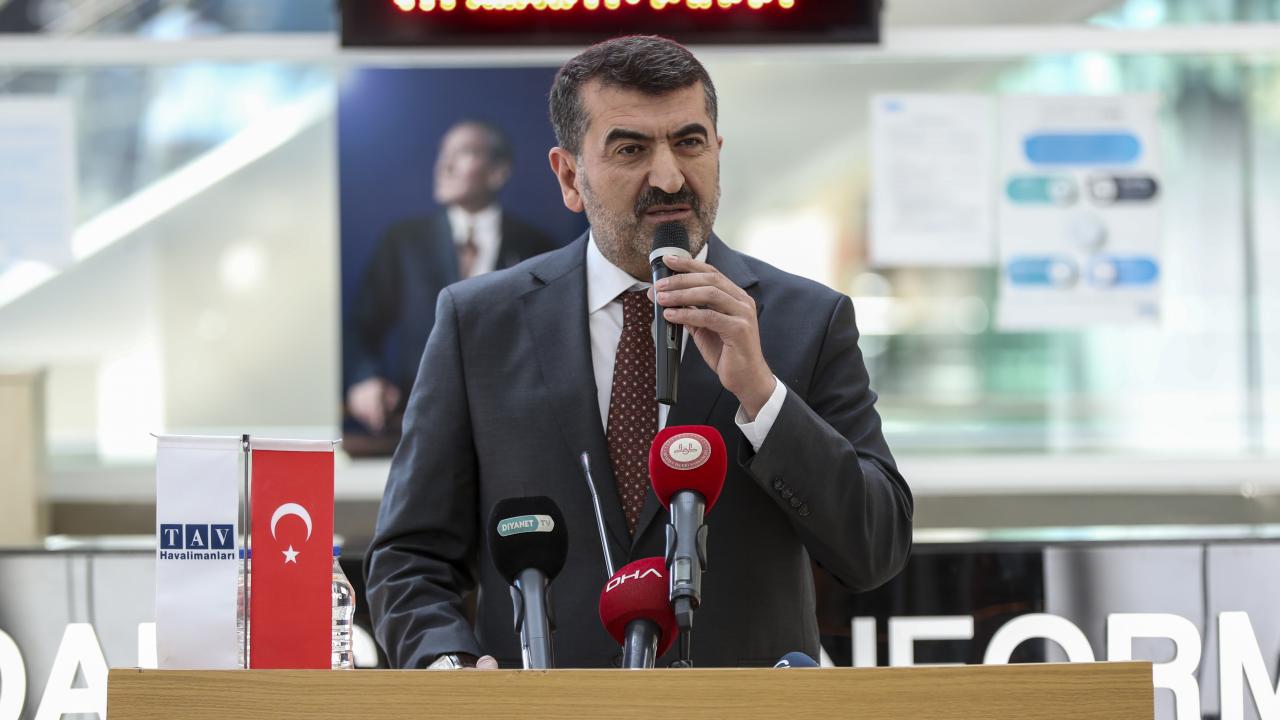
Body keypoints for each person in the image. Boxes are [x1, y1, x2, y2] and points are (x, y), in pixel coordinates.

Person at [365, 35, 913, 670]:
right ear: (569, 177)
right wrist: (448, 670)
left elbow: (875, 550)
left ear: (717, 152)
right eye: (631, 149)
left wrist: (763, 395)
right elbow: (410, 558)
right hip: (543, 711)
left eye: (689, 142)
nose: (669, 177)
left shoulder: (806, 321)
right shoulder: (479, 323)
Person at [344, 119, 556, 442]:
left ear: (498, 172)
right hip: (421, 423)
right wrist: (365, 377)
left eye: (464, 153)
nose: (445, 165)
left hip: (513, 429)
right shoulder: (404, 242)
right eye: (443, 154)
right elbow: (362, 324)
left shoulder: (537, 247)